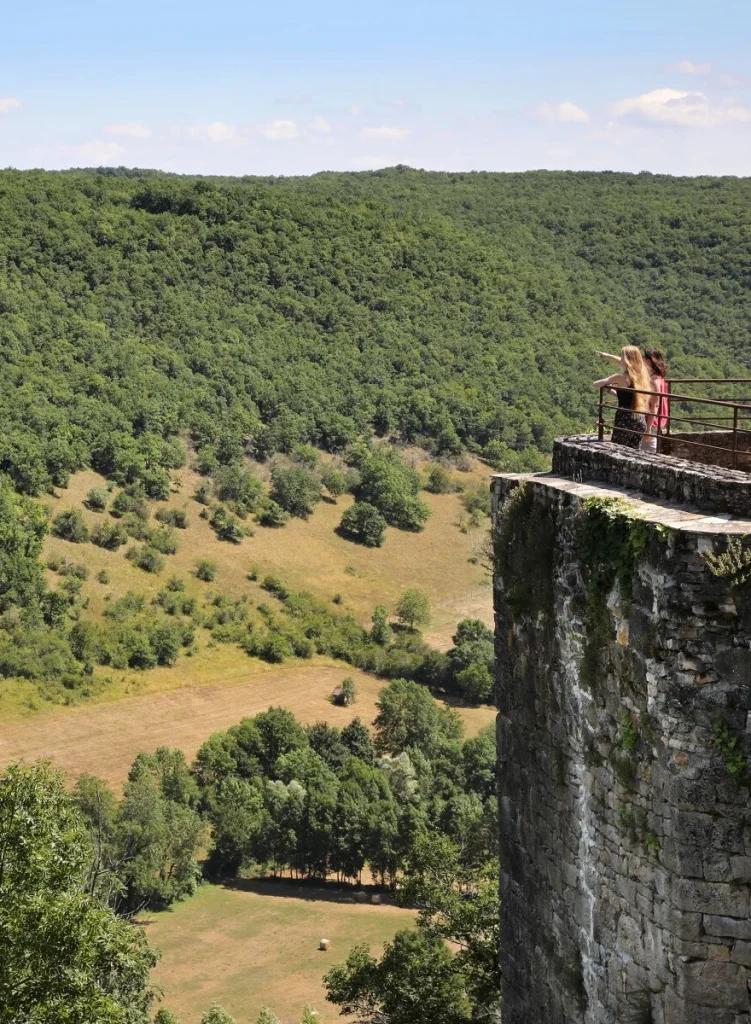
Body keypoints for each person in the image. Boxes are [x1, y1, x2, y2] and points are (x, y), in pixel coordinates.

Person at [594, 346, 654, 448]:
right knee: (633, 454)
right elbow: (630, 397)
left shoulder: (620, 377)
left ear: (626, 360)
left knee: (617, 450)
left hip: (625, 419)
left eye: (622, 357)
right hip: (640, 420)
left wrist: (608, 382)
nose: (620, 359)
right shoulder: (642, 376)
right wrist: (608, 356)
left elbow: (596, 384)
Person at [642, 347, 669, 452]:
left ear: (648, 361)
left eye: (644, 357)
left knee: (648, 447)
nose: (642, 359)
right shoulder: (658, 376)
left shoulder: (654, 381)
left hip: (651, 420)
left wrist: (648, 428)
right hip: (655, 419)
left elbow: (655, 405)